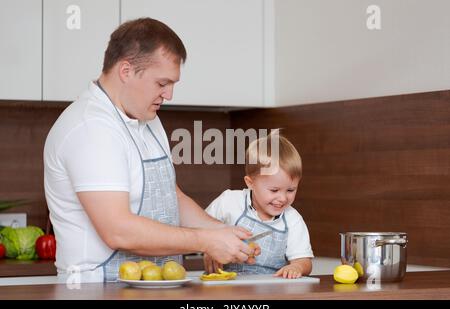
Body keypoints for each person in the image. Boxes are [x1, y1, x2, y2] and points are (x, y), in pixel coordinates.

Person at [43, 18, 257, 283]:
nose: (169, 95)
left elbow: (172, 198)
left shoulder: (148, 119)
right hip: (98, 289)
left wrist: (224, 233)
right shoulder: (91, 127)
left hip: (154, 287)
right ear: (126, 71)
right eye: (161, 83)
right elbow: (118, 230)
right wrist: (206, 241)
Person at [204, 132, 314, 278]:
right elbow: (200, 230)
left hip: (272, 290)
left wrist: (296, 267)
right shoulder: (229, 202)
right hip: (225, 285)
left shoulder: (293, 220)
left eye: (290, 190)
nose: (282, 198)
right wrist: (209, 247)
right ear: (250, 183)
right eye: (274, 190)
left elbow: (304, 261)